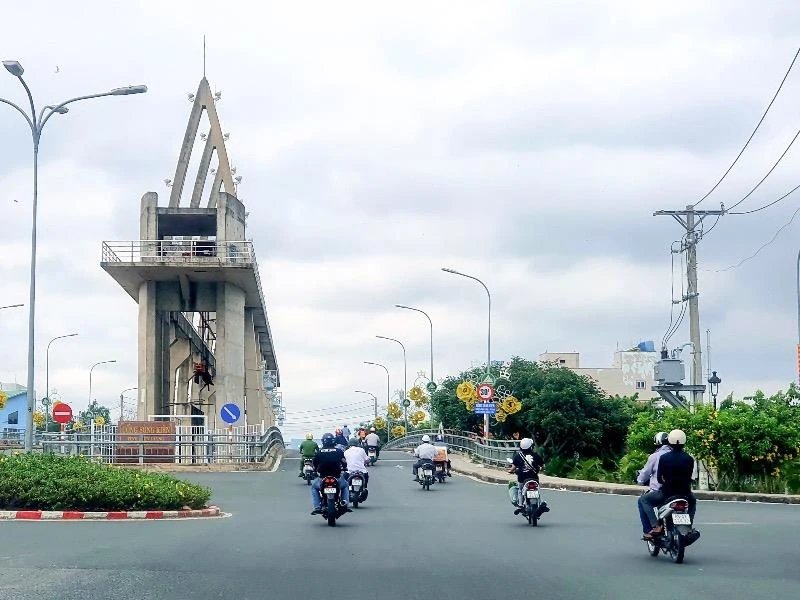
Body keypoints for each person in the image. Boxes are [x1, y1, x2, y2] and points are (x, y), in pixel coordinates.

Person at [640, 429, 697, 539]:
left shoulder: (664, 458)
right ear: (684, 442)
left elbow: (660, 479)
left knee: (644, 500)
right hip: (685, 494)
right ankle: (689, 527)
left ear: (669, 441)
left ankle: (656, 526)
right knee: (693, 503)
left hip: (667, 493)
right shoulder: (689, 459)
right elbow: (689, 477)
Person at [635, 432, 671, 533]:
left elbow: (645, 473)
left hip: (662, 491)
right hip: (682, 492)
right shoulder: (683, 456)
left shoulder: (656, 456)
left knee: (643, 501)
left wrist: (640, 480)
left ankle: (651, 529)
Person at [311, 433, 351, 515]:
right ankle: (345, 503)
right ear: (333, 441)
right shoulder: (339, 451)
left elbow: (314, 463)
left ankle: (317, 506)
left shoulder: (319, 452)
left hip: (322, 478)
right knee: (345, 486)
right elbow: (344, 462)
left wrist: (315, 471)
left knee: (314, 487)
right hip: (337, 477)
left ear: (323, 441)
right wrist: (345, 467)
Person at [507, 438, 549, 515]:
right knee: (537, 490)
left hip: (522, 478)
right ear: (531, 446)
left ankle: (520, 505)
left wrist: (510, 471)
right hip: (534, 477)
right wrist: (542, 469)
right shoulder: (536, 455)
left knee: (520, 490)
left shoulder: (517, 456)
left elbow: (513, 467)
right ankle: (542, 502)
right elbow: (543, 466)